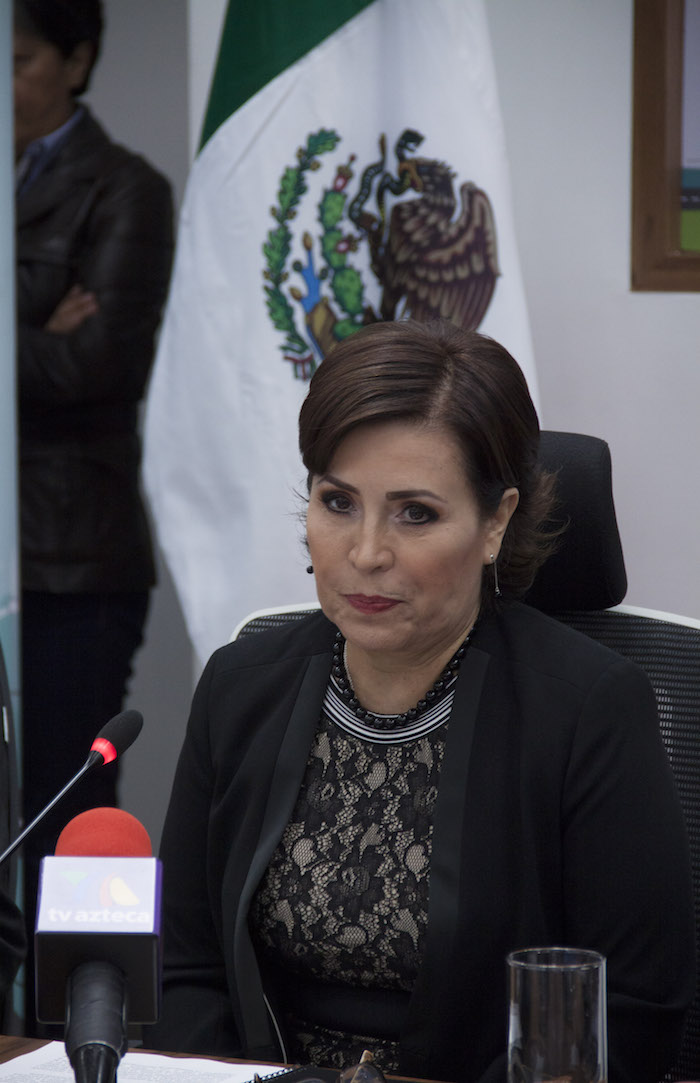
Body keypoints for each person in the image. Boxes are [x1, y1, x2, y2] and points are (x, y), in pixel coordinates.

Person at [147, 320, 695, 1083]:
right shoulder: (240, 684)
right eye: (338, 502)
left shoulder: (588, 710)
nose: (366, 552)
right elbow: (182, 966)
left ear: (496, 521)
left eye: (416, 513)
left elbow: (628, 1011)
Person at [14, 0, 173, 1030]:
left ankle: (78, 1033)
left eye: (17, 59)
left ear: (76, 60)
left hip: (71, 558)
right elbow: (49, 357)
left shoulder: (124, 188)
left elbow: (96, 367)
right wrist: (34, 320)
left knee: (64, 821)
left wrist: (36, 343)